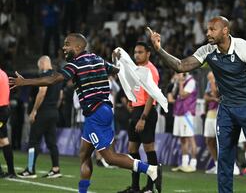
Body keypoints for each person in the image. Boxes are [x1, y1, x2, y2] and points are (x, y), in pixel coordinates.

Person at [9, 33, 162, 193]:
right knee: (84, 154)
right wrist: (119, 61)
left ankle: (151, 170)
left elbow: (52, 79)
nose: (64, 48)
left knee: (109, 157)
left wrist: (25, 82)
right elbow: (116, 70)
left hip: (96, 113)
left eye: (67, 44)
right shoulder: (97, 59)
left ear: (78, 47)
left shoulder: (75, 65)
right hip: (99, 112)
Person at [147, 16, 246, 193]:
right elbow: (181, 66)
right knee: (224, 159)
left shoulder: (244, 48)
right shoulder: (207, 50)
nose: (207, 33)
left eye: (212, 29)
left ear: (225, 30)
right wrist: (159, 49)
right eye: (207, 29)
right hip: (226, 110)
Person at [118, 42, 160, 193]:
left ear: (148, 53)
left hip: (146, 112)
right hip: (136, 110)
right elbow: (137, 89)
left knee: (149, 149)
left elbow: (151, 96)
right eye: (135, 52)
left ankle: (149, 188)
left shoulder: (151, 70)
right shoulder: (136, 69)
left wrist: (143, 118)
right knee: (132, 149)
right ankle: (135, 187)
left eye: (140, 52)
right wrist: (131, 100)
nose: (137, 55)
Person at [18, 56, 62, 178]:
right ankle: (56, 169)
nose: (39, 69)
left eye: (39, 66)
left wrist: (34, 111)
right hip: (53, 112)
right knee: (52, 143)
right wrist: (53, 108)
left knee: (33, 141)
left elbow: (42, 92)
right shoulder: (57, 76)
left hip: (43, 113)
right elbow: (61, 95)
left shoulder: (45, 75)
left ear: (42, 63)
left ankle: (30, 170)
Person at [171, 72, 198, 173]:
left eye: (179, 74)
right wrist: (176, 83)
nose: (177, 75)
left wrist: (181, 83)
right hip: (179, 113)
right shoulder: (180, 82)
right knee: (182, 139)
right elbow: (173, 95)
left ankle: (193, 164)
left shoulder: (191, 82)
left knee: (190, 138)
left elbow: (182, 95)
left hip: (187, 114)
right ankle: (184, 164)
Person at [0, 68, 15, 178]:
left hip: (0, 110)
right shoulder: (3, 73)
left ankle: (10, 172)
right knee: (3, 140)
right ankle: (10, 172)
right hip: (4, 109)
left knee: (3, 141)